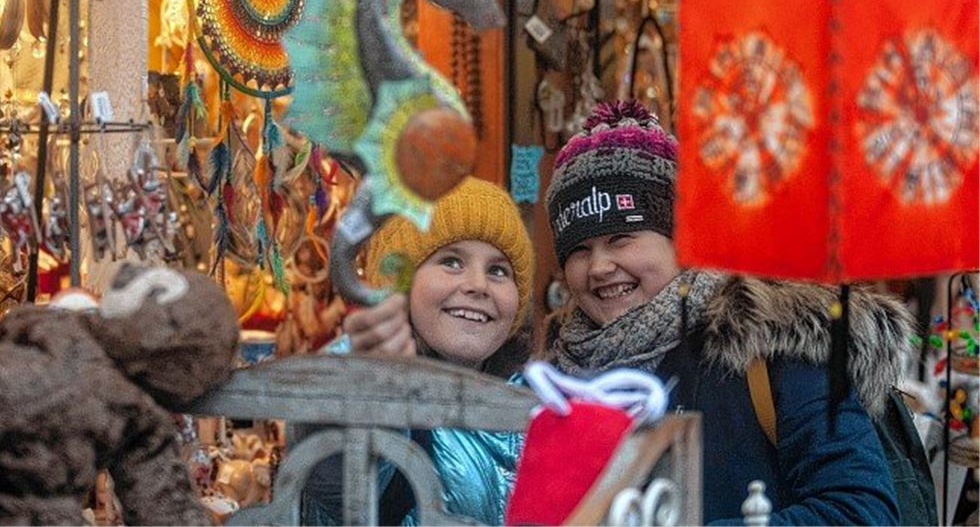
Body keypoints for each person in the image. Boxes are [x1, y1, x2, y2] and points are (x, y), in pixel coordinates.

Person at [541, 99, 907, 525]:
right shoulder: (558, 371)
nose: (600, 267)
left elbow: (862, 512)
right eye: (580, 250)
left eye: (622, 238)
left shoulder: (768, 341)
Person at [305, 176, 535, 525]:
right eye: (451, 262)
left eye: (498, 270)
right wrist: (372, 377)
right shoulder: (373, 371)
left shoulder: (537, 406)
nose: (477, 285)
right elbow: (335, 469)